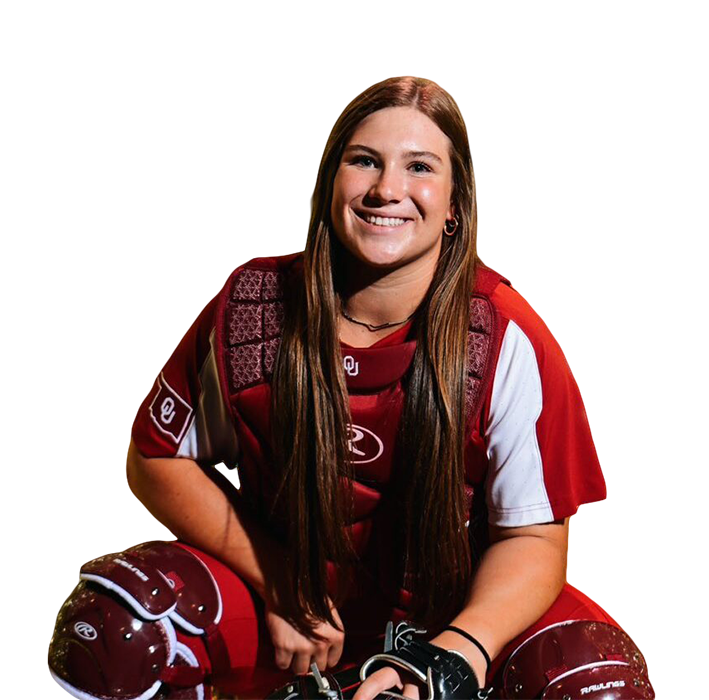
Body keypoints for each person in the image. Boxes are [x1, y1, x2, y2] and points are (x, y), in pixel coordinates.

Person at [48, 76, 654, 700]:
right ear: (329, 184)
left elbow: (535, 538)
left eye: (419, 166)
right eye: (364, 160)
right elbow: (152, 461)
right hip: (288, 616)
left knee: (591, 675)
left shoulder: (504, 334)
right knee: (113, 629)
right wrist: (280, 582)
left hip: (455, 620)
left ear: (454, 205)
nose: (386, 189)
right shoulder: (252, 308)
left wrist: (452, 657)